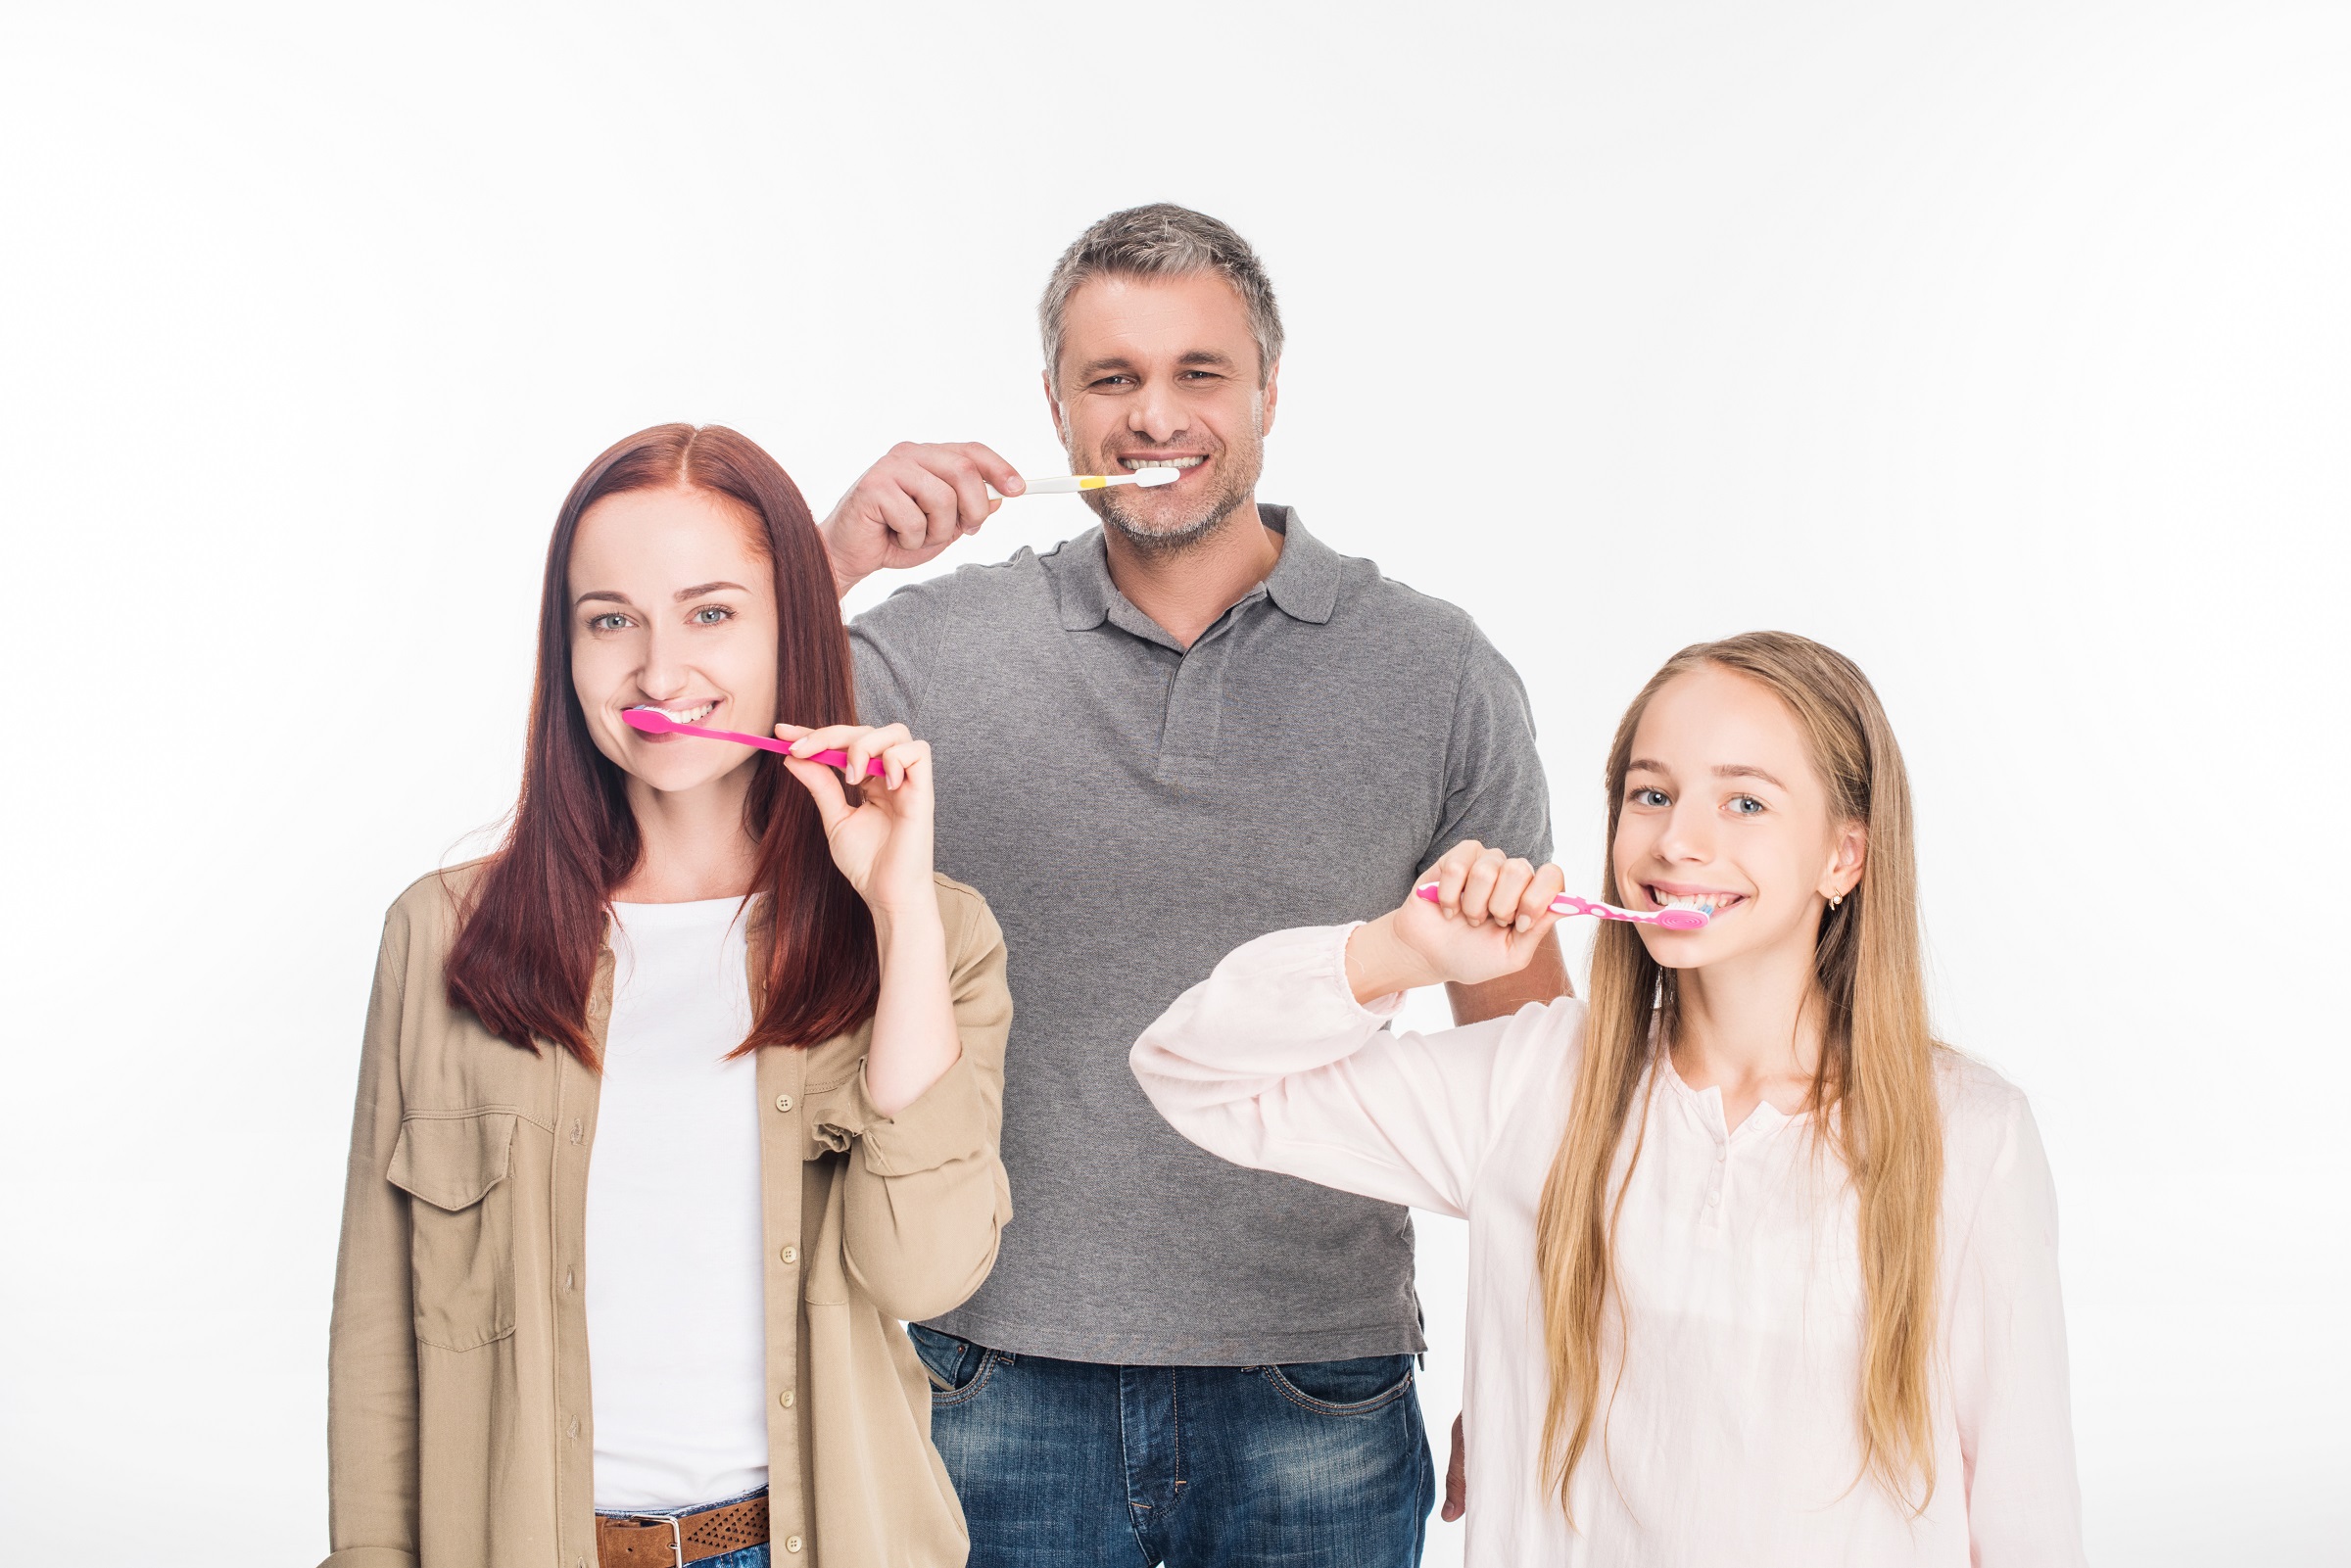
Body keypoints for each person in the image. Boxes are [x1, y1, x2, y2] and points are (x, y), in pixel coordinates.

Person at [813, 204, 1560, 1564]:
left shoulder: (1438, 674)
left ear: (1269, 390)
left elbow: (1531, 1085)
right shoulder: (923, 652)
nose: (1154, 416)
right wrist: (832, 555)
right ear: (1057, 406)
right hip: (990, 1378)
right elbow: (669, 760)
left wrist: (1532, 1379)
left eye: (1198, 373)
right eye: (1113, 378)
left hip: (1318, 1389)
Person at [1132, 632, 2087, 1566]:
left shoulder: (1970, 1134)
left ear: (1845, 855)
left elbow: (2024, 1519)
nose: (1678, 839)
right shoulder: (1532, 1080)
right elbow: (1188, 1069)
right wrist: (1404, 950)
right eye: (1652, 793)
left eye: (1745, 800)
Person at [323, 424, 1013, 1568]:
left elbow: (925, 1271)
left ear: (795, 627)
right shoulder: (441, 934)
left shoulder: (938, 933)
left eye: (711, 612)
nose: (657, 672)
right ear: (566, 649)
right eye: (611, 620)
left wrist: (898, 913)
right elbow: (376, 1335)